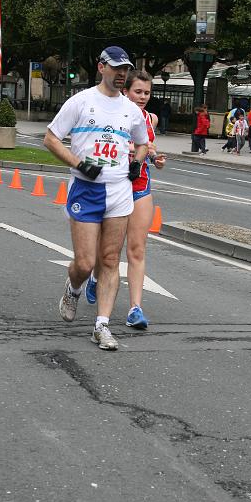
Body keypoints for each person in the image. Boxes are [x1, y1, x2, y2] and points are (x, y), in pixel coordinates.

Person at [43, 46, 148, 351]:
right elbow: (50, 138)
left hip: (118, 190)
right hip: (86, 189)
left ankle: (101, 325)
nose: (122, 75)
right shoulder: (81, 101)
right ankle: (73, 286)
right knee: (86, 263)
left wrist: (137, 163)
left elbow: (142, 143)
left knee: (110, 259)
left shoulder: (131, 110)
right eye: (116, 69)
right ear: (102, 67)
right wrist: (78, 163)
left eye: (125, 69)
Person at [85, 70, 166, 330]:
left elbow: (150, 151)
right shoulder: (112, 113)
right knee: (108, 250)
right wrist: (134, 148)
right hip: (114, 186)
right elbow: (106, 143)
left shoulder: (150, 119)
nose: (142, 97)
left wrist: (156, 159)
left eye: (147, 93)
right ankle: (96, 277)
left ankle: (135, 309)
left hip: (140, 186)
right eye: (138, 92)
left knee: (137, 249)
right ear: (126, 91)